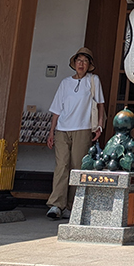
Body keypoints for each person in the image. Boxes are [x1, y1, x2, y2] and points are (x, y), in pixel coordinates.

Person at [45, 47, 105, 220]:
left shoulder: (93, 80)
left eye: (85, 61)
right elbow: (57, 109)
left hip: (83, 128)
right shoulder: (65, 83)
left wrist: (99, 125)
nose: (81, 64)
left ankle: (72, 205)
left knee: (77, 167)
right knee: (61, 165)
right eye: (79, 61)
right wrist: (51, 131)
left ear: (89, 65)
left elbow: (100, 104)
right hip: (63, 129)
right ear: (74, 63)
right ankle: (57, 204)